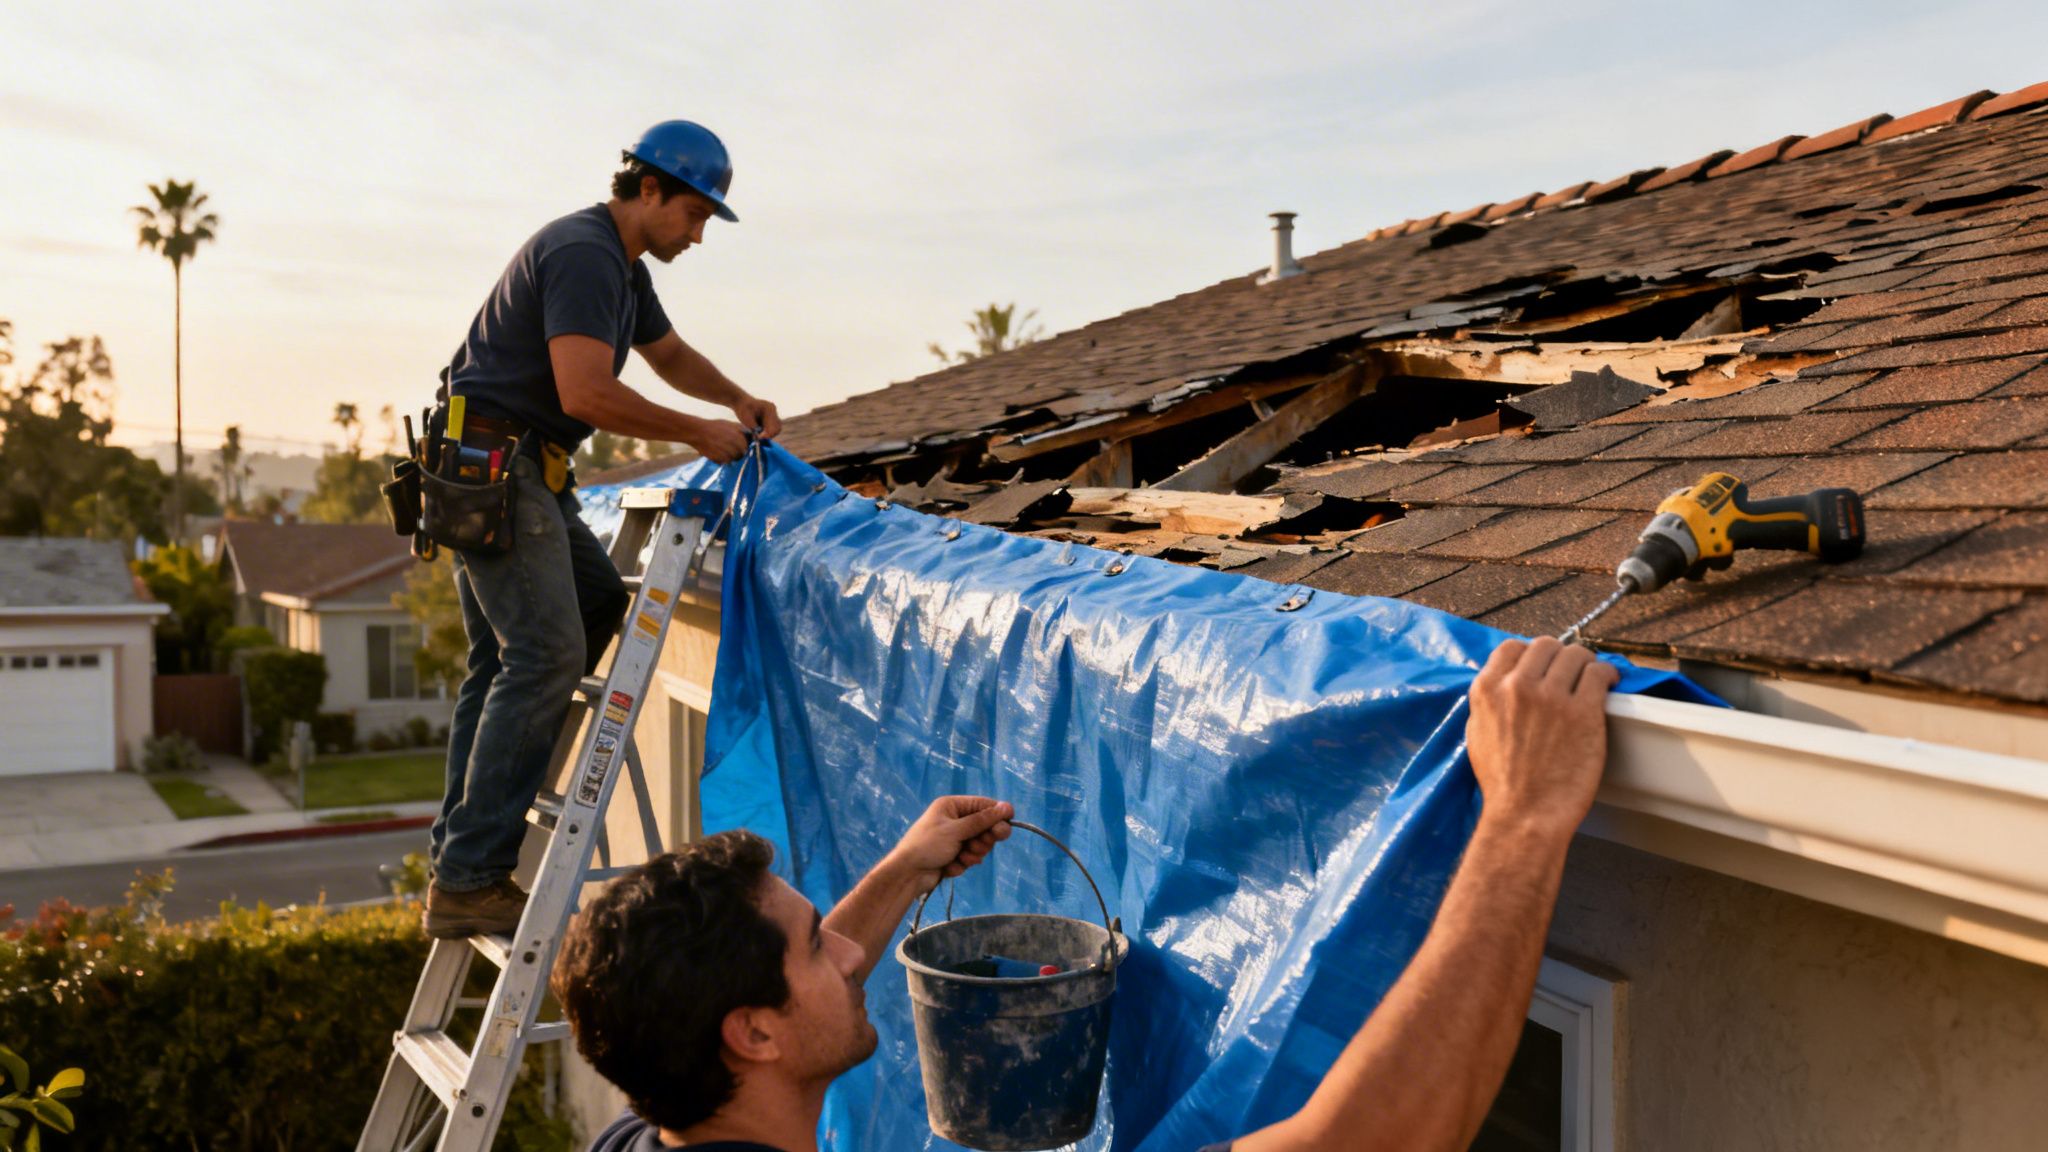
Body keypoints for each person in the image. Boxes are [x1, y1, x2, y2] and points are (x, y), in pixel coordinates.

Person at [552, 635, 1619, 1152]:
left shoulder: (639, 1136)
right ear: (753, 1036)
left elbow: (815, 961)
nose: (846, 948)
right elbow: (1368, 1139)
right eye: (811, 945)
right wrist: (1521, 823)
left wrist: (906, 869)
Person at [423, 120, 783, 939]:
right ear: (648, 189)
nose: (698, 235)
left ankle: (461, 849)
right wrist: (697, 434)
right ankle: (472, 874)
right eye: (693, 215)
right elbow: (584, 391)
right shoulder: (585, 253)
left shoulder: (621, 268)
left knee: (581, 610)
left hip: (519, 468)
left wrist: (734, 398)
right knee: (543, 654)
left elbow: (669, 355)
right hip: (496, 468)